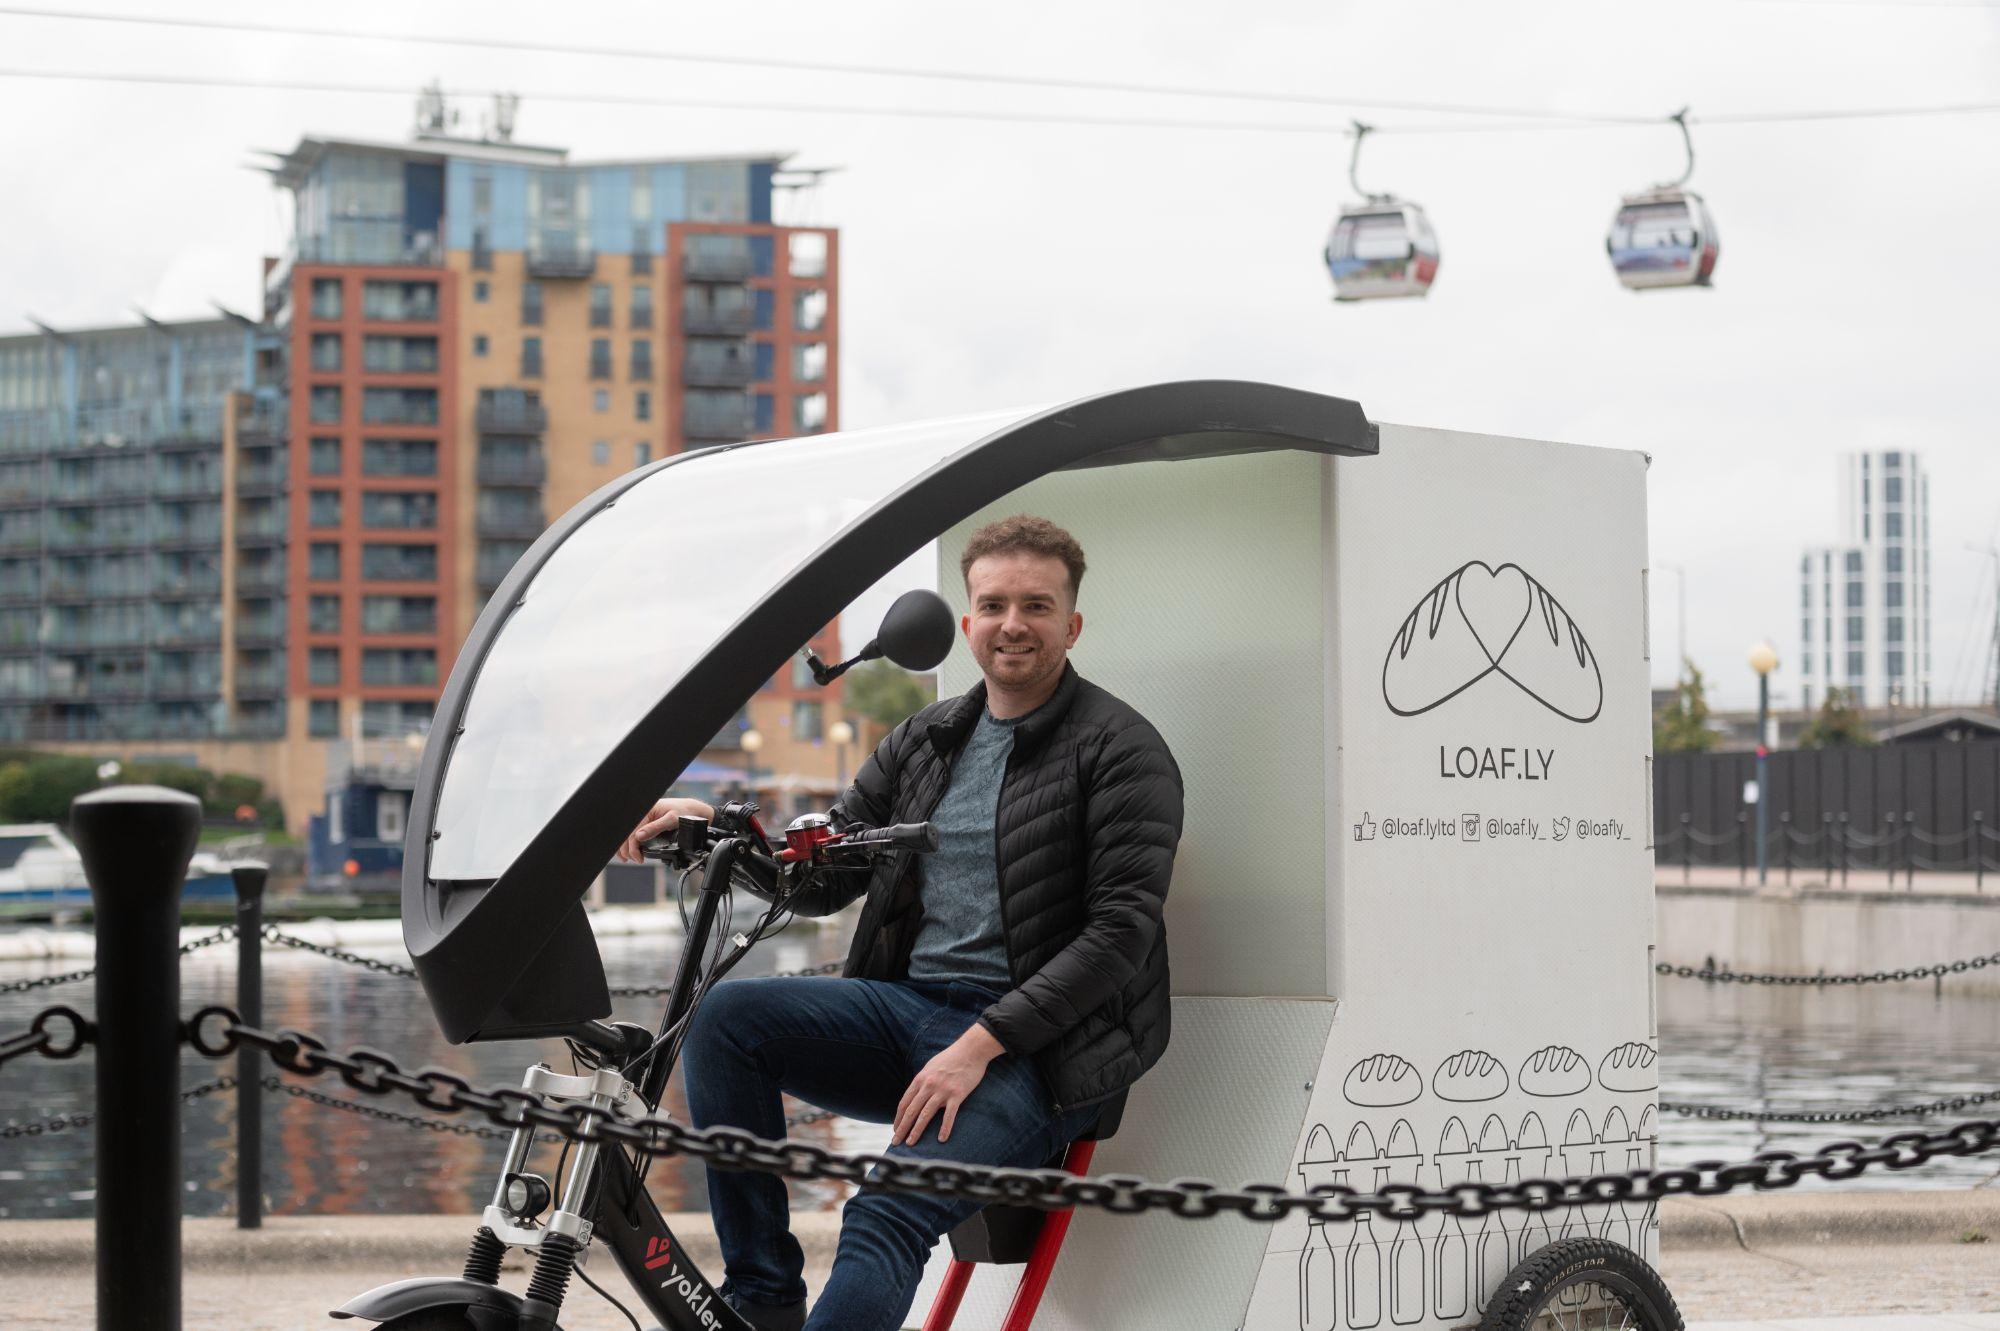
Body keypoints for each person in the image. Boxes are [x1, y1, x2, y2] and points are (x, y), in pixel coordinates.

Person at [617, 514, 1184, 1331]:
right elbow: (819, 881)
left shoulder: (1121, 748)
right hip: (912, 1014)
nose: (1012, 624)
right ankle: (766, 1298)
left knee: (882, 1214)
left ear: (1073, 622)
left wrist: (977, 1046)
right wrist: (717, 831)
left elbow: (1118, 936)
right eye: (993, 604)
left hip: (1040, 1052)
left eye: (1036, 604)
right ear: (968, 621)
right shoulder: (926, 739)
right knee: (729, 1019)